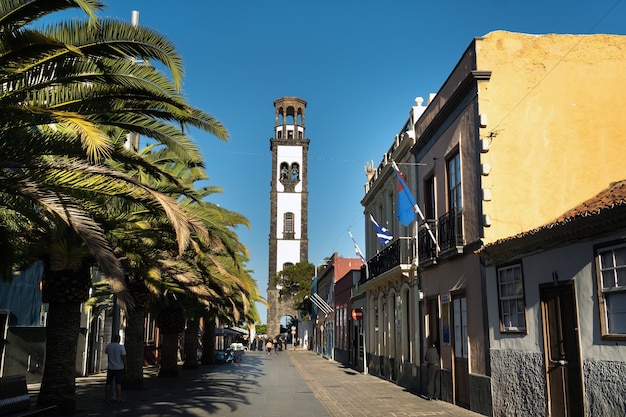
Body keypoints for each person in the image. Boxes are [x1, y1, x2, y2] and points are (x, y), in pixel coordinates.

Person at [104, 334, 127, 403]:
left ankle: (107, 398)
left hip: (111, 367)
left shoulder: (109, 346)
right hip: (119, 367)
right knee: (118, 383)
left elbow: (106, 352)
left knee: (108, 383)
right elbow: (124, 358)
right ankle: (118, 398)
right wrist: (126, 367)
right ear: (118, 340)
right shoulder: (121, 347)